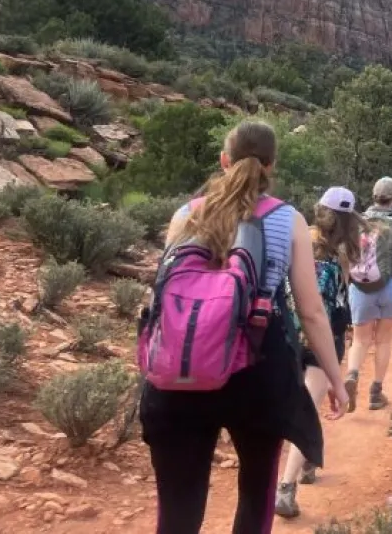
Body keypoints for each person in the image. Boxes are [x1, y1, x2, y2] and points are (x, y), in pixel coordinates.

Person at [139, 121, 348, 534]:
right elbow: (311, 312)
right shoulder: (288, 220)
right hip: (257, 370)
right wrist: (337, 381)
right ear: (271, 165)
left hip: (181, 369)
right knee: (256, 497)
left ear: (224, 160)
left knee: (178, 510)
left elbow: (163, 298)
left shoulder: (185, 215)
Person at [274, 186, 361, 519]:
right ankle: (286, 486)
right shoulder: (343, 252)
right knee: (308, 408)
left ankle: (308, 463)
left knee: (293, 405)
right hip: (324, 338)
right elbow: (340, 298)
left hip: (285, 333)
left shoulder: (295, 237)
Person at [346, 176, 392, 409]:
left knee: (360, 339)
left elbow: (345, 257)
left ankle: (352, 375)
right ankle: (376, 393)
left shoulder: (357, 222)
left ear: (373, 196)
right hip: (390, 286)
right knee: (383, 340)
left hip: (360, 287)